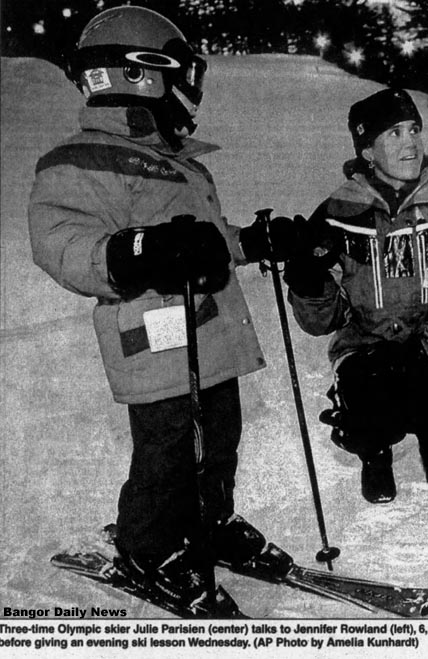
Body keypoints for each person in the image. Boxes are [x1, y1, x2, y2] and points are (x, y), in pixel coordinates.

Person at [28, 6, 285, 610]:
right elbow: (59, 240)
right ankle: (147, 545)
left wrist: (255, 241)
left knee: (219, 437)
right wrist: (131, 250)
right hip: (155, 339)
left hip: (210, 335)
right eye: (182, 72)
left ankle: (208, 522)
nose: (192, 90)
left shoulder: (179, 162)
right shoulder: (81, 159)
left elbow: (203, 240)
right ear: (138, 73)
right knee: (168, 449)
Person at [283, 88, 428, 508]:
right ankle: (375, 446)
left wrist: (426, 354)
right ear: (367, 150)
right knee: (370, 389)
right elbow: (323, 321)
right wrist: (308, 281)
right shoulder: (338, 214)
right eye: (393, 134)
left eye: (413, 130)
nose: (409, 143)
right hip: (372, 357)